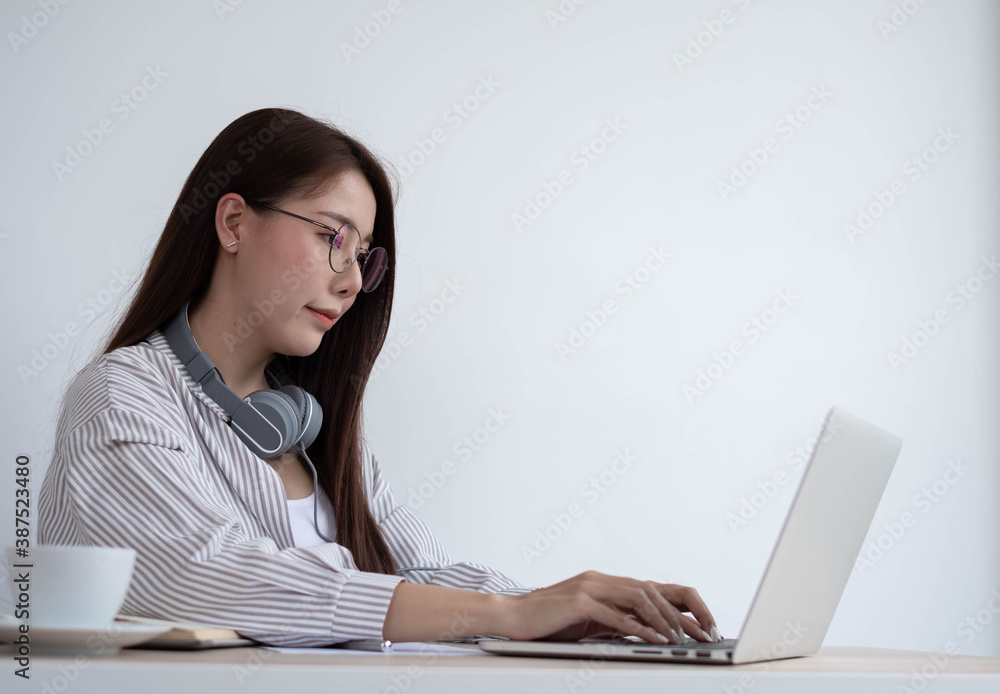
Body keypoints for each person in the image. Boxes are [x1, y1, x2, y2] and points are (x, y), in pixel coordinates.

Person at [38, 107, 722, 647]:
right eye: (332, 236)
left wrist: (565, 611)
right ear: (234, 222)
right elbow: (204, 575)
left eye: (363, 258)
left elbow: (418, 573)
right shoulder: (121, 396)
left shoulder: (308, 425)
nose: (349, 282)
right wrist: (509, 613)